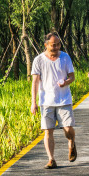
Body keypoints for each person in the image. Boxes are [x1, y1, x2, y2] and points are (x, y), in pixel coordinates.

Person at [30, 32, 77, 169]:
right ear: (46, 45)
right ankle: (51, 159)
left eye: (57, 45)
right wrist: (34, 102)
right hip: (46, 101)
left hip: (64, 100)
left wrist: (66, 82)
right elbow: (35, 82)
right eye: (52, 45)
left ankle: (71, 142)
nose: (55, 47)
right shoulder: (38, 60)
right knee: (48, 131)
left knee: (68, 128)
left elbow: (72, 77)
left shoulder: (65, 57)